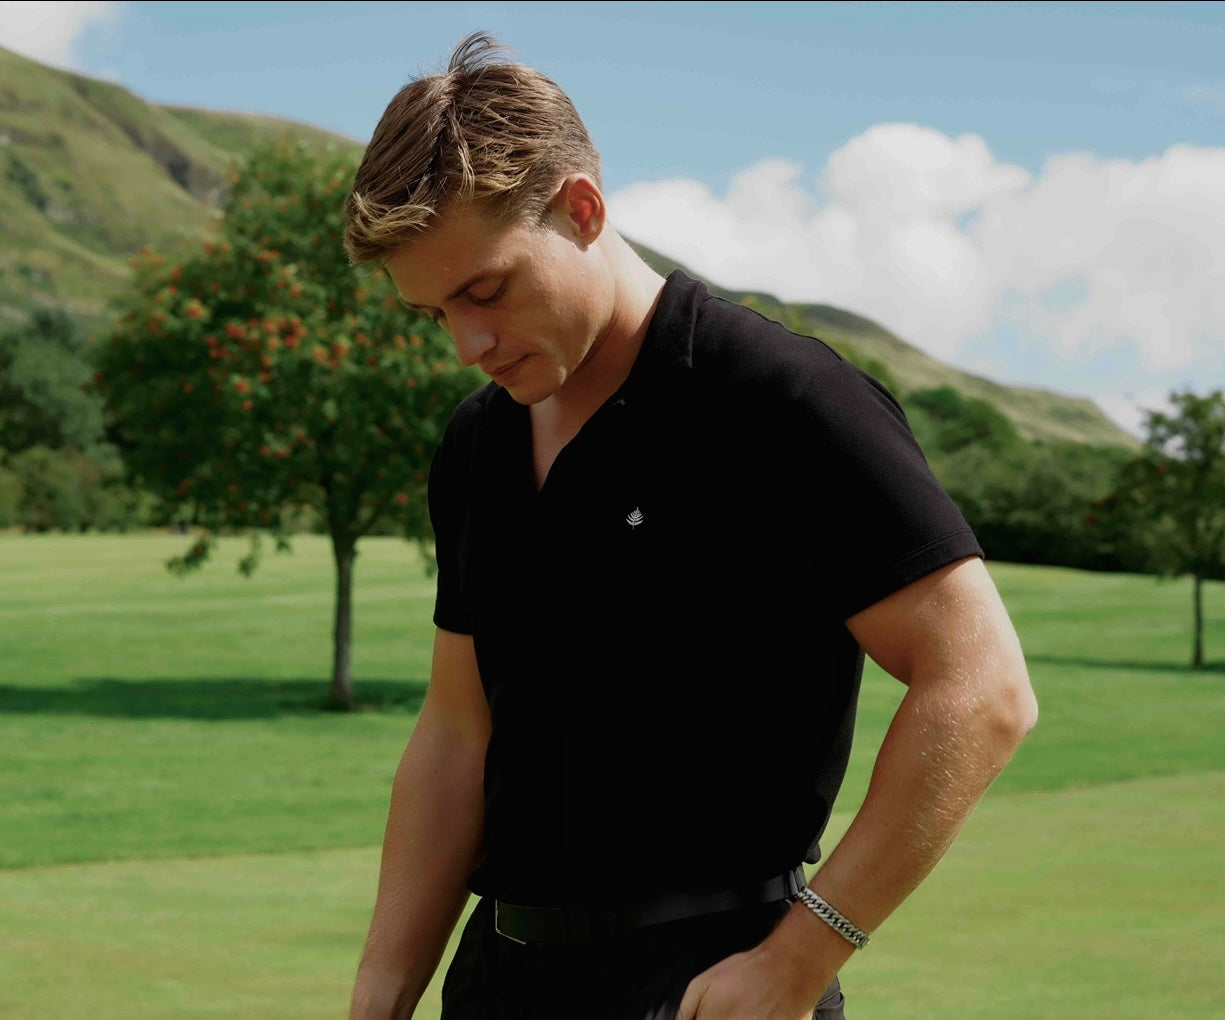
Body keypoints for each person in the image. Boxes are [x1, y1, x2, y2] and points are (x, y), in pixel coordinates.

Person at [343, 32, 1037, 1020]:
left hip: (710, 987)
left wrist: (800, 959)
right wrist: (377, 1001)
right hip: (496, 983)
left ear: (581, 210)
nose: (466, 343)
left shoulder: (783, 401)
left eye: (484, 290)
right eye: (433, 314)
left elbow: (981, 688)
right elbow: (459, 732)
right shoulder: (477, 444)